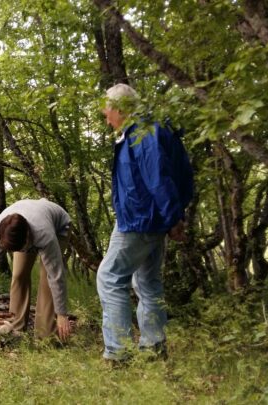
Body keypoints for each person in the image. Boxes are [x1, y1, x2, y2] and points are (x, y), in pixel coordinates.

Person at [97, 83, 194, 361]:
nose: (106, 118)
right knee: (148, 281)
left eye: (107, 112)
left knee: (110, 277)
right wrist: (173, 216)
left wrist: (174, 217)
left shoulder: (143, 133)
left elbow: (159, 178)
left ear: (119, 108)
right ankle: (153, 348)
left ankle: (118, 353)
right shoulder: (148, 129)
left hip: (140, 220)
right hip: (153, 218)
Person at [0, 198, 72, 341]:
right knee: (19, 275)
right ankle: (16, 328)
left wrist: (62, 313)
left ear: (27, 237)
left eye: (22, 247)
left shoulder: (44, 234)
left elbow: (56, 276)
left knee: (47, 279)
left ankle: (45, 336)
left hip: (59, 228)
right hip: (26, 224)